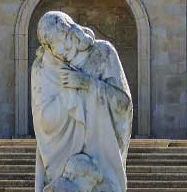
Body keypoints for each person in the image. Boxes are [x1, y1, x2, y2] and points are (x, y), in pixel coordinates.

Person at [32, 11, 132, 192]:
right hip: (63, 161)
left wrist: (88, 84)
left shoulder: (102, 53)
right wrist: (68, 96)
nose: (62, 49)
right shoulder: (46, 68)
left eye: (64, 38)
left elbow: (123, 105)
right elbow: (43, 121)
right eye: (53, 45)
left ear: (72, 30)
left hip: (102, 154)